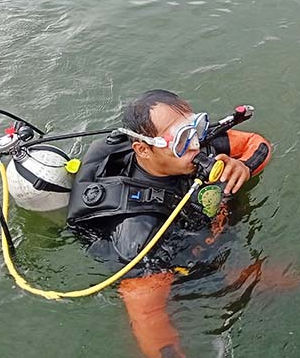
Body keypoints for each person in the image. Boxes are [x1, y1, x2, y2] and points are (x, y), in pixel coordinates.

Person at [66, 89, 272, 358]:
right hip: (185, 280)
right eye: (182, 139)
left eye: (194, 129)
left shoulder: (193, 147)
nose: (196, 145)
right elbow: (149, 320)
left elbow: (257, 144)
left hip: (212, 242)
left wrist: (242, 166)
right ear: (142, 149)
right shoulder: (138, 234)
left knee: (293, 281)